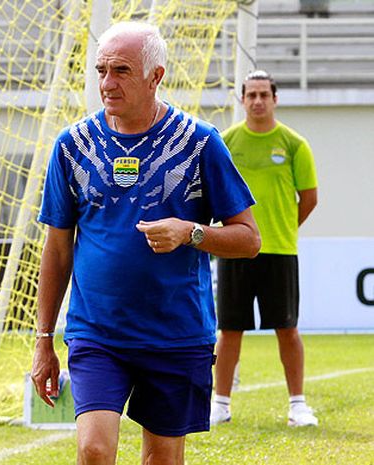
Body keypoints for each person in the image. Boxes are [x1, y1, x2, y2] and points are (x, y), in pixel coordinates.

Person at [30, 21, 260, 465]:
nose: (106, 83)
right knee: (94, 451)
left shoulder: (199, 143)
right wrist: (43, 341)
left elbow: (249, 239)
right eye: (101, 70)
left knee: (162, 461)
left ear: (156, 76)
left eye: (121, 71)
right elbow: (57, 250)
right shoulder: (72, 146)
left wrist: (190, 232)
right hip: (98, 333)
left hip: (175, 334)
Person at [211, 70, 319, 428]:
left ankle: (298, 405)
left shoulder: (294, 144)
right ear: (241, 99)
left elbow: (309, 198)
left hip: (279, 251)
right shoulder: (225, 142)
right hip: (235, 251)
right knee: (229, 330)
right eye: (251, 95)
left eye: (264, 94)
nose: (257, 101)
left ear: (275, 98)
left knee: (287, 328)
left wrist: (283, 228)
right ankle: (221, 404)